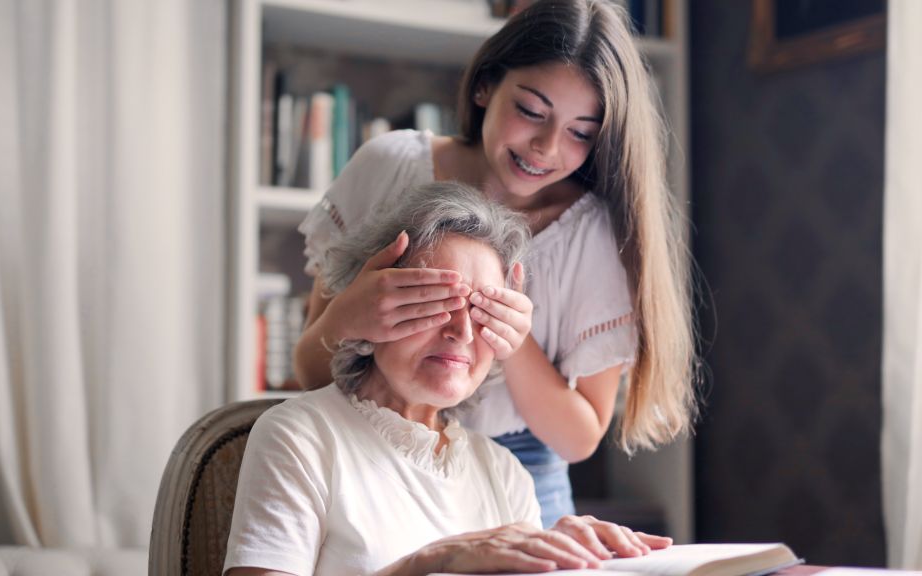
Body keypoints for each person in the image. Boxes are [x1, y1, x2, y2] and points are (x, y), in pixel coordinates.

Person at [293, 0, 697, 528]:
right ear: (485, 86)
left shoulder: (593, 236)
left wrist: (511, 337)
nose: (547, 147)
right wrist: (349, 317)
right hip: (373, 454)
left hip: (522, 475)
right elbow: (309, 372)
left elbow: (578, 438)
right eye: (531, 110)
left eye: (581, 131)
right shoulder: (389, 167)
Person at [224, 182, 671, 576]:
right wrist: (430, 562)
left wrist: (578, 562)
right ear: (374, 305)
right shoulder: (300, 438)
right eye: (434, 302)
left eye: (484, 310)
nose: (462, 331)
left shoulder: (504, 474)